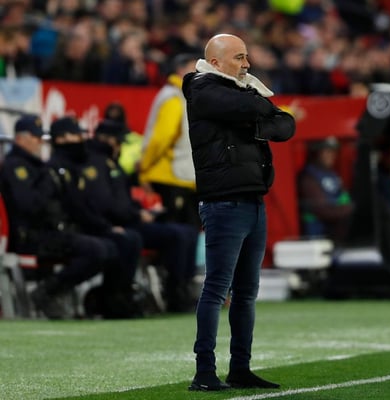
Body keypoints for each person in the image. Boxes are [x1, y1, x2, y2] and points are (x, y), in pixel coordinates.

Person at [182, 33, 295, 391]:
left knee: (246, 293)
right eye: (239, 57)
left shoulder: (236, 92)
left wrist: (257, 118)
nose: (247, 65)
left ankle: (240, 368)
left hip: (252, 200)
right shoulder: (201, 87)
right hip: (223, 202)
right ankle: (204, 372)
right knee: (217, 289)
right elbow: (255, 109)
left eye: (246, 57)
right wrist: (260, 113)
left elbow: (286, 125)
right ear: (215, 62)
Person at [0, 114, 118, 319]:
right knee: (96, 250)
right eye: (35, 137)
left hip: (49, 232)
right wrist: (49, 182)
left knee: (107, 246)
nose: (40, 142)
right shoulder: (16, 167)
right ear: (20, 138)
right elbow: (29, 206)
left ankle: (71, 295)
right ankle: (48, 291)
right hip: (31, 237)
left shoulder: (37, 165)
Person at [84, 119, 200, 312]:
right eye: (118, 141)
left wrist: (141, 210)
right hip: (122, 223)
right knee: (176, 236)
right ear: (107, 140)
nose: (120, 146)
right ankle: (172, 294)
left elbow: (122, 199)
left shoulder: (112, 164)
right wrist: (137, 213)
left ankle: (183, 286)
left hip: (131, 219)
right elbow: (107, 204)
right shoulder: (97, 164)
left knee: (188, 232)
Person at [47, 116, 142, 318]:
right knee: (110, 246)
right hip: (66, 230)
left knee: (124, 240)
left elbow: (83, 206)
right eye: (75, 135)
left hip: (81, 226)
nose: (80, 139)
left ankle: (116, 297)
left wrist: (105, 225)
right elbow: (75, 208)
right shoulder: (57, 167)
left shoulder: (73, 166)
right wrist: (105, 227)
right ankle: (53, 289)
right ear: (60, 139)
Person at [139, 53, 200, 227]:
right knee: (175, 233)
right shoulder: (173, 96)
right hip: (170, 176)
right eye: (194, 68)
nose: (199, 73)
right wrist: (144, 166)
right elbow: (161, 138)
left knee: (188, 233)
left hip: (184, 178)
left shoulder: (188, 96)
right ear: (180, 70)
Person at [297, 136, 354, 244]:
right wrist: (350, 209)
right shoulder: (308, 177)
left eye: (333, 151)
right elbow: (323, 210)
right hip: (316, 237)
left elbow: (344, 196)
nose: (331, 155)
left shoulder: (332, 174)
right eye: (327, 151)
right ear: (316, 153)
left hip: (335, 234)